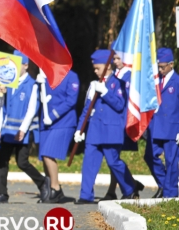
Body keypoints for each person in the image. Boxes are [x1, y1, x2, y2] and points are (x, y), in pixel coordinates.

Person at [75, 50, 139, 204]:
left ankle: (130, 188)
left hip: (112, 130)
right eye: (94, 68)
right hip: (95, 130)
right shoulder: (94, 84)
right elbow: (87, 108)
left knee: (113, 162)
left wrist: (105, 92)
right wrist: (80, 129)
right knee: (89, 162)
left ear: (107, 67)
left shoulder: (119, 83)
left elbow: (120, 105)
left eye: (98, 68)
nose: (95, 71)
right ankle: (86, 195)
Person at [0, 51, 49, 203]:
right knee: (2, 161)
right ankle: (2, 193)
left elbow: (32, 109)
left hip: (22, 131)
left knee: (22, 162)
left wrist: (23, 129)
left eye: (17, 64)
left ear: (25, 65)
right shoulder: (8, 82)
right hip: (7, 130)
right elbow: (0, 106)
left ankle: (43, 182)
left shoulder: (31, 84)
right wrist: (0, 93)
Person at [101, 51, 143, 200]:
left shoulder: (128, 76)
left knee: (113, 159)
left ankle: (130, 188)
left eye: (119, 58)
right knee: (113, 158)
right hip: (114, 122)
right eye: (114, 58)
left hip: (122, 122)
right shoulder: (116, 74)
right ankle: (125, 187)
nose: (115, 61)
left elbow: (125, 103)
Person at [37, 69, 79, 203]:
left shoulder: (72, 76)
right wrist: (38, 87)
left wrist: (54, 114)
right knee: (44, 156)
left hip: (63, 121)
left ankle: (56, 188)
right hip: (46, 122)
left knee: (48, 153)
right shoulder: (48, 76)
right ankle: (49, 188)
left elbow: (71, 100)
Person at [143, 47, 179, 198]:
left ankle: (170, 195)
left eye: (163, 66)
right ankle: (165, 185)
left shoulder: (177, 81)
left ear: (171, 64)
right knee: (150, 156)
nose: (160, 69)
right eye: (158, 66)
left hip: (172, 128)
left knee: (171, 162)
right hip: (155, 127)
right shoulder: (155, 80)